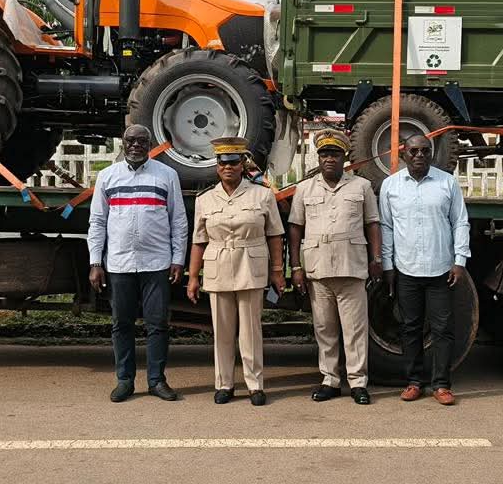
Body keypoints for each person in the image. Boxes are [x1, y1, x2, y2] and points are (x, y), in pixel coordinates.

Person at [87, 124, 188, 403]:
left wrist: (178, 258)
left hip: (156, 263)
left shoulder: (167, 175)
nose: (135, 145)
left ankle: (156, 380)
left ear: (149, 143)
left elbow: (178, 221)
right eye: (130, 140)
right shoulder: (107, 177)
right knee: (122, 324)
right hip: (119, 265)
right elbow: (97, 222)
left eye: (141, 141)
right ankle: (125, 380)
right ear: (123, 142)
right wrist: (96, 261)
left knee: (157, 324)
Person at [187, 137, 286, 406]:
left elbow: (275, 235)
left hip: (250, 265)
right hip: (218, 266)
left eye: (233, 161)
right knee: (222, 330)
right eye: (223, 162)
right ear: (217, 166)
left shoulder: (262, 194)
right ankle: (224, 384)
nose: (228, 167)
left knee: (251, 330)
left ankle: (255, 385)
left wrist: (278, 271)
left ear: (243, 164)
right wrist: (193, 277)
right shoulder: (205, 198)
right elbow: (199, 240)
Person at [287, 129, 381, 405]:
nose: (329, 159)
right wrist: (296, 267)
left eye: (335, 154)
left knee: (355, 330)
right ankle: (330, 380)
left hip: (351, 267)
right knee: (324, 329)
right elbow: (296, 228)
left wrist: (376, 260)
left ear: (344, 157)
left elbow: (372, 223)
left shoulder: (360, 186)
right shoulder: (305, 188)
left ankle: (358, 382)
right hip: (318, 269)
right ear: (319, 157)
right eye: (324, 153)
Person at [379, 134, 470, 406]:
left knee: (442, 329)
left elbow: (460, 222)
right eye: (414, 151)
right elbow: (386, 227)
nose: (419, 156)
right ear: (404, 154)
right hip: (406, 269)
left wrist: (460, 260)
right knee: (410, 328)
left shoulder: (447, 183)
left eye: (425, 151)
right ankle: (414, 382)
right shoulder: (390, 186)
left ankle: (441, 384)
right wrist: (388, 265)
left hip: (440, 269)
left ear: (432, 154)